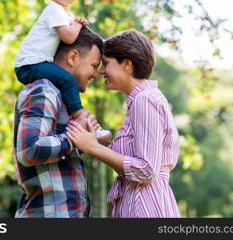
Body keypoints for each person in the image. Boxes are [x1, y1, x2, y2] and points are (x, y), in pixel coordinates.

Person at [67, 30, 181, 218]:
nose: (101, 71)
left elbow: (146, 170)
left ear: (127, 64)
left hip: (146, 207)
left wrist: (92, 147)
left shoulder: (145, 100)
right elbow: (135, 160)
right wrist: (97, 138)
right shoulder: (140, 101)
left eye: (107, 64)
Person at [14, 0, 111, 142]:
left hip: (38, 63)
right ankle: (81, 117)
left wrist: (75, 22)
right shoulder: (54, 10)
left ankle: (82, 124)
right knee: (67, 80)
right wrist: (76, 23)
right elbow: (68, 38)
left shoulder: (64, 14)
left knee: (63, 84)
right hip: (30, 65)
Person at [13, 27, 104, 218]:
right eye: (94, 65)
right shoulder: (44, 90)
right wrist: (75, 137)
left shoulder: (62, 99)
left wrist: (89, 137)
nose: (96, 74)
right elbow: (29, 149)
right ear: (73, 57)